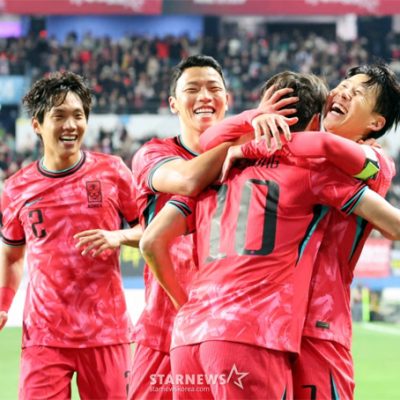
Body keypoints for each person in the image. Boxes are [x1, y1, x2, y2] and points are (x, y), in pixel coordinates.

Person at [139, 71, 400, 399]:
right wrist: (251, 136)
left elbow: (153, 239)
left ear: (376, 122)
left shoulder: (374, 161)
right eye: (342, 86)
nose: (344, 93)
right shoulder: (300, 167)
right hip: (265, 330)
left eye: (357, 92)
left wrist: (248, 142)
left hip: (310, 330)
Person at [127, 54, 297, 399]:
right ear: (173, 104)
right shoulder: (153, 154)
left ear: (227, 100)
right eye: (192, 89)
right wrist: (243, 133)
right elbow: (188, 180)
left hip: (231, 334)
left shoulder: (252, 160)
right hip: (164, 334)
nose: (204, 96)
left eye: (213, 88)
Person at [0, 71, 139, 399]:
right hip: (43, 337)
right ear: (37, 124)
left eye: (78, 115)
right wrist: (3, 304)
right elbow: (12, 255)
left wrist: (118, 237)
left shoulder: (113, 171)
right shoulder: (16, 189)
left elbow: (153, 230)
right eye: (59, 116)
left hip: (106, 333)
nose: (70, 125)